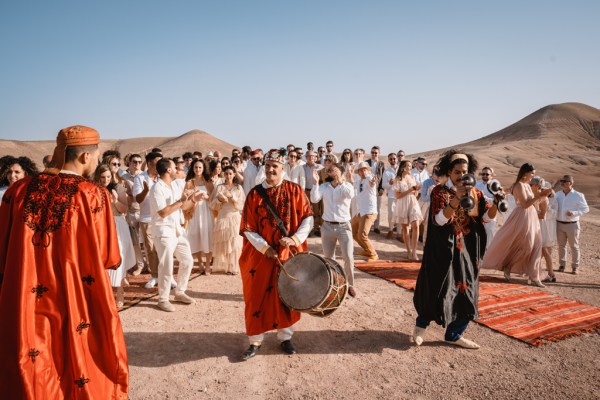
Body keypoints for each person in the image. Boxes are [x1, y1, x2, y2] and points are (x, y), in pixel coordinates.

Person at [0, 125, 128, 397]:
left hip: (24, 293)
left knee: (31, 355)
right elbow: (109, 256)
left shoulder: (16, 191)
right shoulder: (93, 195)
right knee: (75, 355)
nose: (96, 161)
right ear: (85, 157)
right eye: (96, 156)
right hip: (76, 292)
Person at [413, 150, 498, 350]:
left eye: (464, 172)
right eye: (457, 172)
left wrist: (497, 203)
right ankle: (420, 326)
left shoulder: (476, 193)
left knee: (466, 290)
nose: (461, 176)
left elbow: (487, 218)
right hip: (444, 249)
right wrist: (455, 200)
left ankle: (454, 334)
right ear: (449, 172)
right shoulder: (439, 192)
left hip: (467, 251)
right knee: (436, 286)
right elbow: (439, 220)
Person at [239, 149, 314, 360]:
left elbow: (308, 218)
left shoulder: (295, 190)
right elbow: (247, 228)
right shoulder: (254, 194)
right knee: (256, 295)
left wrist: (295, 239)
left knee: (287, 294)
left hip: (288, 252)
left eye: (275, 166)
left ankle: (285, 337)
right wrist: (265, 248)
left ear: (283, 169)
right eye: (268, 166)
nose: (271, 169)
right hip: (260, 256)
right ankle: (255, 340)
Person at [482, 163, 551, 287]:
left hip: (532, 216)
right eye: (532, 173)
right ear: (525, 173)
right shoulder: (519, 185)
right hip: (521, 216)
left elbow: (533, 202)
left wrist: (543, 196)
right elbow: (524, 204)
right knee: (526, 245)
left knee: (536, 245)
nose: (533, 176)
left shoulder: (527, 186)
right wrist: (539, 196)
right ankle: (508, 265)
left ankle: (535, 277)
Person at [149, 158, 197, 312]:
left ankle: (180, 292)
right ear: (168, 170)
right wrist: (180, 201)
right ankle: (163, 299)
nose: (178, 169)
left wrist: (194, 200)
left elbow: (183, 207)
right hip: (163, 231)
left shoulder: (174, 186)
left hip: (177, 230)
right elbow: (163, 212)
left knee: (188, 260)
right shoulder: (157, 188)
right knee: (166, 266)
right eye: (175, 167)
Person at [310, 163, 356, 297]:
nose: (328, 172)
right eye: (328, 170)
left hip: (344, 227)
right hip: (327, 226)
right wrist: (315, 182)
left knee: (348, 257)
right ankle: (335, 283)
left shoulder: (346, 186)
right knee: (329, 258)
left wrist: (343, 180)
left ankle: (350, 284)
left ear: (339, 172)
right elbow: (314, 198)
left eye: (332, 170)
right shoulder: (324, 186)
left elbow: (350, 195)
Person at [94, 164, 136, 309]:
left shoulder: (117, 188)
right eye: (102, 177)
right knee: (102, 259)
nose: (105, 179)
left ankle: (120, 292)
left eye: (108, 177)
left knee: (119, 257)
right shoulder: (93, 189)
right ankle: (106, 292)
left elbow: (125, 208)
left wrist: (116, 200)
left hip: (117, 223)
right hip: (100, 226)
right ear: (97, 177)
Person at [133, 151, 163, 288]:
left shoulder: (163, 178)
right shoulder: (140, 178)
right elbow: (138, 199)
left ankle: (165, 275)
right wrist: (146, 190)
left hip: (162, 217)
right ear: (150, 164)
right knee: (151, 249)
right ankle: (155, 276)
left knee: (163, 247)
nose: (160, 166)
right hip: (147, 218)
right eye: (158, 163)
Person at [209, 165, 245, 274]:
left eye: (230, 173)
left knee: (234, 242)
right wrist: (220, 200)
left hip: (234, 217)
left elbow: (241, 205)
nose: (228, 176)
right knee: (224, 241)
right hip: (223, 216)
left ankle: (233, 266)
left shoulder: (238, 188)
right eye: (226, 174)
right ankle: (225, 265)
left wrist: (231, 197)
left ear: (234, 175)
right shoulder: (219, 187)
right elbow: (212, 204)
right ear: (223, 175)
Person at [555, 175, 589, 274]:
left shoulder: (578, 195)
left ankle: (575, 266)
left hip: (572, 224)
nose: (562, 183)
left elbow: (586, 209)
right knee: (561, 245)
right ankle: (562, 265)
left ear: (571, 183)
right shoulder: (558, 195)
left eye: (565, 181)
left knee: (574, 246)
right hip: (559, 224)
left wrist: (574, 212)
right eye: (561, 181)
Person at [185, 159, 214, 274]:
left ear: (203, 169)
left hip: (206, 211)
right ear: (192, 168)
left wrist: (207, 197)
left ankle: (208, 264)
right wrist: (192, 195)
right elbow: (185, 198)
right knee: (195, 235)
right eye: (196, 167)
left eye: (200, 167)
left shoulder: (208, 181)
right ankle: (200, 263)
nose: (197, 169)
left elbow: (214, 197)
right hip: (194, 211)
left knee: (208, 236)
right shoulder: (189, 182)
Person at [392, 160, 423, 260]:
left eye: (411, 166)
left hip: (413, 202)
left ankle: (414, 251)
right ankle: (408, 250)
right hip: (402, 203)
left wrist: (416, 191)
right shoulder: (397, 179)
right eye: (409, 166)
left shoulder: (412, 178)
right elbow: (397, 196)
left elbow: (415, 193)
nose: (410, 168)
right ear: (403, 168)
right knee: (405, 228)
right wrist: (410, 190)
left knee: (416, 225)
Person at [531, 177, 558, 282]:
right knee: (539, 250)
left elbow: (542, 215)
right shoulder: (536, 197)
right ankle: (535, 271)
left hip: (540, 226)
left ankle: (551, 273)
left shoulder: (544, 199)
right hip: (534, 224)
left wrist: (531, 214)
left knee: (543, 250)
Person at [351, 161, 379, 261]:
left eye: (365, 169)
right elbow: (351, 183)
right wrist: (349, 174)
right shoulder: (359, 181)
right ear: (358, 172)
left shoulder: (369, 178)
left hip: (369, 212)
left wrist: (373, 182)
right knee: (353, 232)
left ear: (368, 170)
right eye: (361, 170)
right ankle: (367, 250)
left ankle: (373, 254)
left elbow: (372, 183)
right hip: (360, 212)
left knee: (362, 235)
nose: (363, 171)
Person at [475, 166, 498, 249]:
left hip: (490, 214)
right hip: (478, 215)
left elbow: (496, 200)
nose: (484, 176)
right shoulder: (477, 184)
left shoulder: (495, 186)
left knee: (489, 236)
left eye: (487, 174)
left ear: (491, 175)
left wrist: (484, 198)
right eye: (483, 174)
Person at [303, 150, 324, 237]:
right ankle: (307, 230)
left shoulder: (320, 167)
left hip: (315, 191)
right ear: (306, 157)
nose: (311, 158)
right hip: (306, 191)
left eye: (313, 156)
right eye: (309, 156)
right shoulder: (302, 167)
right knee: (306, 211)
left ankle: (316, 228)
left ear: (315, 158)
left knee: (316, 211)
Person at [366, 146, 385, 234]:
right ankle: (368, 226)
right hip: (367, 188)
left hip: (377, 189)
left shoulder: (381, 164)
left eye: (376, 153)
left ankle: (376, 226)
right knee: (368, 207)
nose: (374, 154)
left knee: (377, 208)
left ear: (378, 153)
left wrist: (381, 188)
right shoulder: (366, 162)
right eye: (372, 152)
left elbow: (383, 177)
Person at [382, 152, 399, 239]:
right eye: (391, 159)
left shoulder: (401, 169)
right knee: (391, 214)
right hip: (392, 195)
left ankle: (399, 233)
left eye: (394, 158)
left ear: (397, 159)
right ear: (388, 160)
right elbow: (383, 185)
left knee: (400, 214)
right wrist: (390, 183)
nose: (393, 160)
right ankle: (391, 230)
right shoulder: (386, 171)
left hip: (401, 195)